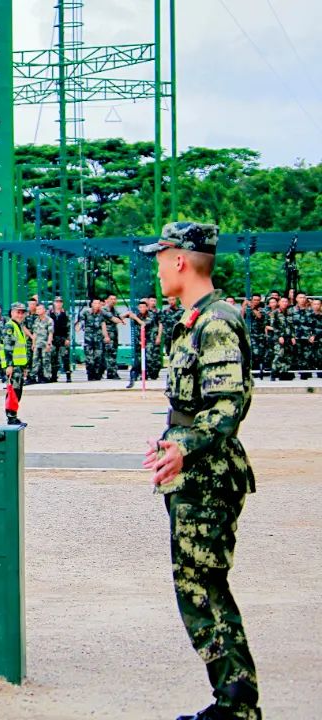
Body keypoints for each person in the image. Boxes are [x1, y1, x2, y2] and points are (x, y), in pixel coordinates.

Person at [140, 222, 261, 720]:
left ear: (180, 261)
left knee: (203, 591)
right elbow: (197, 407)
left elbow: (229, 404)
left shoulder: (216, 322)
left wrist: (184, 445)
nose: (157, 265)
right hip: (195, 473)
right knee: (199, 588)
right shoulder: (192, 320)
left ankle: (236, 708)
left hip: (209, 478)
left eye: (161, 255)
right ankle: (232, 703)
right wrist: (173, 440)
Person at [0, 302, 29, 425]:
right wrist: (9, 365)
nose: (20, 315)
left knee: (17, 391)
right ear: (12, 312)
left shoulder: (18, 326)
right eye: (18, 312)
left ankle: (13, 415)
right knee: (13, 391)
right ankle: (11, 417)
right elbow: (8, 347)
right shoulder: (10, 327)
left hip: (19, 365)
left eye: (22, 312)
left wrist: (24, 366)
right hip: (13, 366)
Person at [124, 298, 161, 388]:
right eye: (140, 307)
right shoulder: (137, 315)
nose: (142, 309)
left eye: (144, 307)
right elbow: (120, 317)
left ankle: (151, 375)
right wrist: (127, 314)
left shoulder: (151, 315)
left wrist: (135, 317)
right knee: (138, 361)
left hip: (149, 341)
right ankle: (134, 378)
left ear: (147, 308)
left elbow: (144, 324)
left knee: (150, 360)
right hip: (139, 341)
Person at [78, 298, 109, 381]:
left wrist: (106, 336)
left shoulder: (102, 313)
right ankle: (90, 374)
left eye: (98, 303)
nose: (97, 305)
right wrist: (78, 327)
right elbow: (81, 322)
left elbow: (103, 324)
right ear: (91, 304)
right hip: (89, 339)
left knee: (98, 357)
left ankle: (97, 374)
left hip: (98, 339)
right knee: (89, 358)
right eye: (95, 303)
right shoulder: (86, 312)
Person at [266, 296, 292, 381]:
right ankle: (273, 373)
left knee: (287, 356)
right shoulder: (275, 313)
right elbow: (274, 326)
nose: (284, 303)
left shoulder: (289, 313)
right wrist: (280, 335)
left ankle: (283, 373)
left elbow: (291, 326)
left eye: (286, 302)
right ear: (279, 303)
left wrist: (293, 337)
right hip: (278, 338)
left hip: (288, 337)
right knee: (278, 355)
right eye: (283, 301)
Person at [101, 295, 125, 379]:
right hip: (107, 335)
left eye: (115, 299)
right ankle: (112, 373)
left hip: (114, 334)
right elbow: (115, 319)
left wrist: (123, 317)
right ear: (106, 300)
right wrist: (121, 320)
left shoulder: (114, 309)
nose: (113, 301)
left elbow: (121, 316)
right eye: (111, 299)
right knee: (109, 354)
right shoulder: (104, 310)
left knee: (113, 353)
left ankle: (112, 372)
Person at [48, 296, 71, 382]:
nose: (58, 303)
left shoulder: (65, 313)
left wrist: (68, 339)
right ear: (54, 303)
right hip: (53, 338)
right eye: (57, 302)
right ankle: (54, 375)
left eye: (60, 302)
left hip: (63, 338)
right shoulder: (50, 313)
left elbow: (68, 327)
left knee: (65, 357)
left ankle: (68, 376)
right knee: (53, 357)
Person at [30, 302, 53, 383]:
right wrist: (33, 343)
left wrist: (49, 343)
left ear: (44, 310)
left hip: (45, 343)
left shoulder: (49, 320)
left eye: (40, 309)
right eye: (37, 309)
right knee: (35, 360)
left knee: (45, 360)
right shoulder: (36, 320)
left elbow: (50, 333)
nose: (38, 311)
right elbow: (35, 333)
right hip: (37, 343)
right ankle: (33, 377)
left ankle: (47, 377)